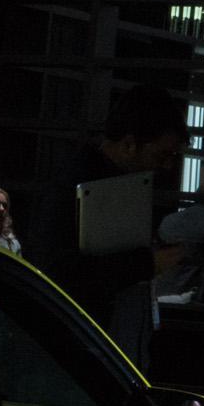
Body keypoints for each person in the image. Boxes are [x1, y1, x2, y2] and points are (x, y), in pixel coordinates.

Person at [29, 83, 187, 367]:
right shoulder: (77, 186)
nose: (167, 166)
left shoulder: (110, 183)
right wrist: (145, 264)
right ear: (128, 144)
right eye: (162, 155)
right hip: (78, 355)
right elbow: (55, 270)